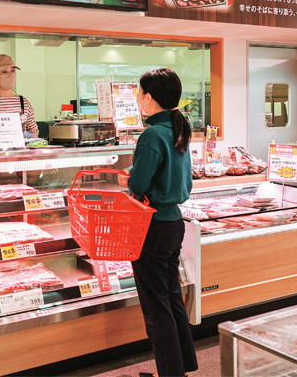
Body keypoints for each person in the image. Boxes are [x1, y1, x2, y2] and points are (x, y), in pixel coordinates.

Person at [118, 68, 198, 377]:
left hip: (150, 227)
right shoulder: (180, 128)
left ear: (150, 97)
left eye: (140, 94)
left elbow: (139, 184)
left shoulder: (152, 134)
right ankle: (184, 365)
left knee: (156, 307)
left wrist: (129, 175)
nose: (138, 99)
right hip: (173, 223)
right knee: (171, 296)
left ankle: (170, 372)